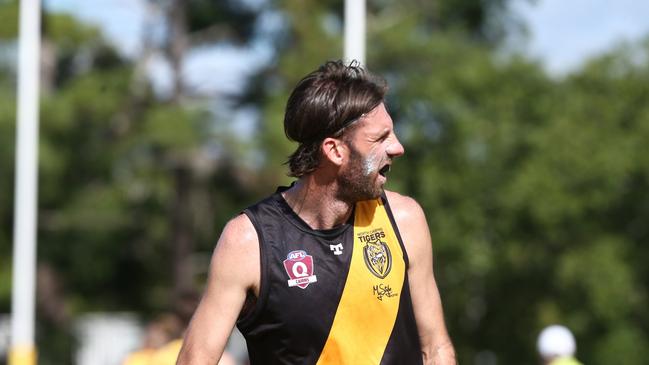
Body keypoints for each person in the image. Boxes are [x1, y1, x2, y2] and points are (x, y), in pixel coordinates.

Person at [177, 60, 456, 364]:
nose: (398, 147)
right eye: (380, 138)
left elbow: (436, 348)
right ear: (335, 150)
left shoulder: (404, 220)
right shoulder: (248, 242)